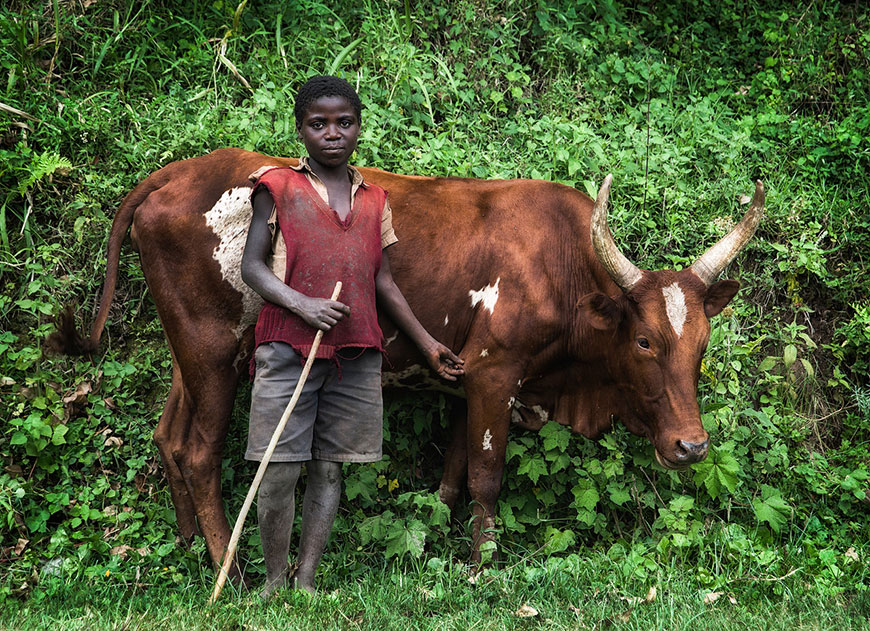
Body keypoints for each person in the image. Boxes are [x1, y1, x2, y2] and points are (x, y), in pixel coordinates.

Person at [240, 75, 464, 597]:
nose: (333, 133)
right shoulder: (276, 188)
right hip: (287, 347)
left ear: (359, 127)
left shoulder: (376, 199)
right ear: (301, 131)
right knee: (277, 470)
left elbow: (383, 280)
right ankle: (274, 582)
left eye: (344, 122)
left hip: (357, 352)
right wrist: (302, 304)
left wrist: (428, 343)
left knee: (330, 468)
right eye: (319, 124)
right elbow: (253, 267)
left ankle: (308, 580)